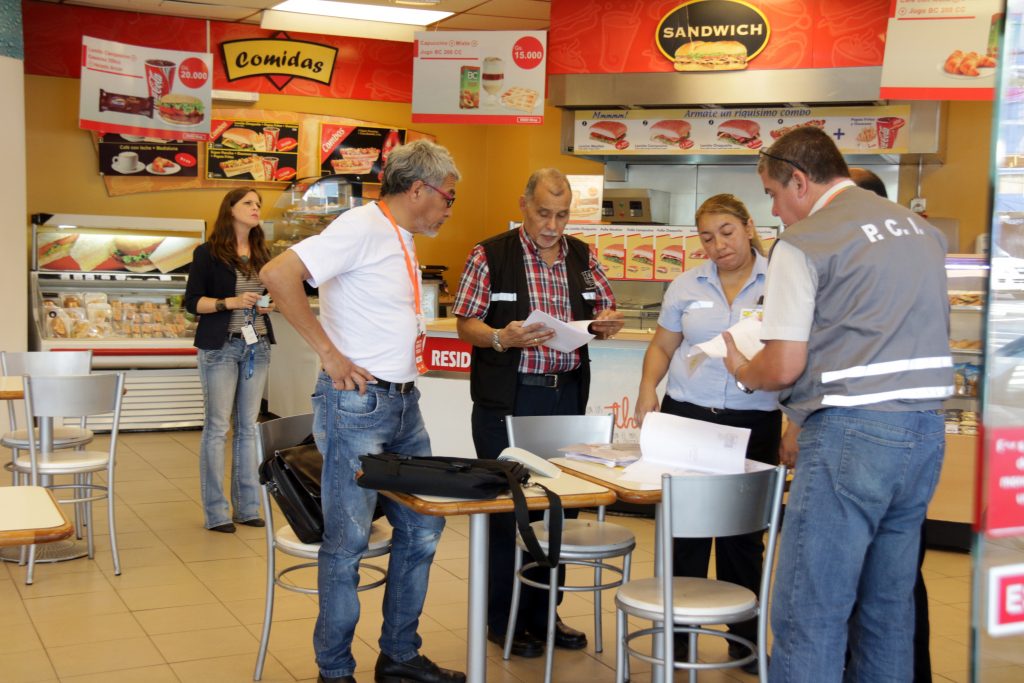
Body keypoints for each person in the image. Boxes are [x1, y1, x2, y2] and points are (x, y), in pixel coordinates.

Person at [721, 128, 952, 682]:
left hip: (851, 435)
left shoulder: (805, 242)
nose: (773, 211)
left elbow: (783, 365)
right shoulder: (920, 230)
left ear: (800, 181)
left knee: (810, 611)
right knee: (887, 611)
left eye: (773, 194)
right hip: (924, 434)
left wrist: (743, 370)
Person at [260, 140, 465, 683]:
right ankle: (334, 670)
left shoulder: (399, 235)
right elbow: (278, 274)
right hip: (357, 405)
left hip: (403, 404)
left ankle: (398, 656)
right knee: (348, 543)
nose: (450, 208)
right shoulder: (360, 227)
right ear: (418, 189)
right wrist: (329, 355)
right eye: (448, 197)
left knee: (422, 528)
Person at [452, 168, 624, 658]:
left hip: (565, 399)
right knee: (509, 510)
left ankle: (546, 613)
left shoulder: (583, 256)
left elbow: (605, 309)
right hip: (509, 401)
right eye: (544, 213)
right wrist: (500, 336)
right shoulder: (490, 254)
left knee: (558, 508)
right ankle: (502, 617)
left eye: (562, 215)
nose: (552, 225)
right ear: (523, 204)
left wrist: (606, 323)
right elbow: (465, 324)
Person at [633, 193, 779, 674]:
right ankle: (678, 638)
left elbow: (797, 355)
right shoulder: (685, 285)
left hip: (753, 422)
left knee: (743, 537)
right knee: (685, 534)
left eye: (727, 232)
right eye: (708, 237)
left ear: (749, 227)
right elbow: (662, 346)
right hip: (689, 419)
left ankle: (743, 641)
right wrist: (647, 389)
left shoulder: (781, 283)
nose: (719, 245)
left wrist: (795, 421)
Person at [185, 187, 274, 533]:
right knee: (218, 427)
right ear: (230, 209)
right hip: (220, 346)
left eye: (258, 204)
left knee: (249, 428)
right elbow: (193, 302)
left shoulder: (263, 252)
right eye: (248, 203)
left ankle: (247, 507)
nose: (255, 208)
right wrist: (230, 303)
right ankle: (216, 512)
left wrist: (269, 304)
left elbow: (272, 294)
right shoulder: (207, 253)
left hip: (257, 346)